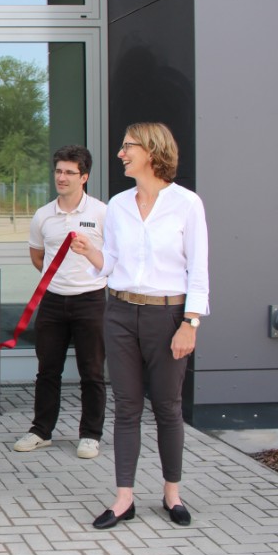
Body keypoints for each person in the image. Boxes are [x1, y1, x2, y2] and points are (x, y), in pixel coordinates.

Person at [70, 122, 209, 529]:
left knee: (167, 406)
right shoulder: (118, 205)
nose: (120, 153)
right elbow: (112, 263)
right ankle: (124, 499)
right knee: (127, 406)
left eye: (127, 146)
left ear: (151, 150)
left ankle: (172, 494)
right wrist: (90, 252)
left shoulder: (186, 204)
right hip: (119, 313)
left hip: (168, 316)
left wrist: (190, 323)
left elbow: (198, 271)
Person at [13, 145, 107, 459]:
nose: (61, 177)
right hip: (53, 301)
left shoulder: (102, 213)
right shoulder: (43, 215)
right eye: (58, 171)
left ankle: (90, 435)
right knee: (47, 370)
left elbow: (113, 258)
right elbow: (38, 256)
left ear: (84, 177)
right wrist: (60, 279)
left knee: (92, 371)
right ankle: (41, 431)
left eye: (69, 172)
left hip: (90, 300)